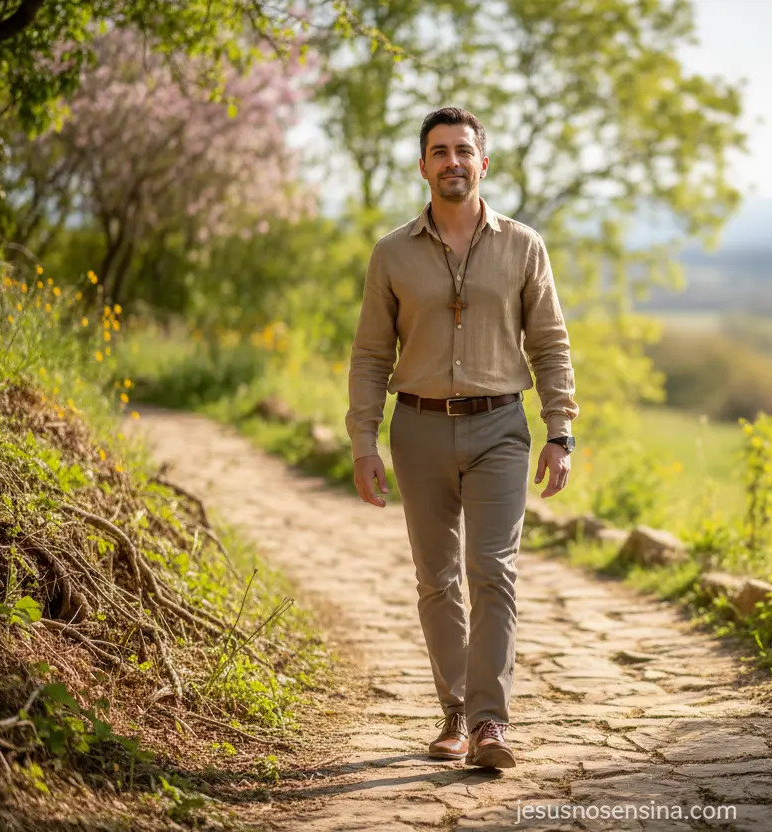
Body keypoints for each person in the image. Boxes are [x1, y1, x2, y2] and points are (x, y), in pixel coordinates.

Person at [344, 107, 578, 769]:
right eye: (439, 151)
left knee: (493, 572)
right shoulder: (391, 253)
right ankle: (452, 713)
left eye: (463, 151)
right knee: (437, 579)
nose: (452, 161)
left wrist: (560, 431)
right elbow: (368, 355)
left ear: (484, 163)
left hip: (501, 427)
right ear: (423, 166)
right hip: (416, 429)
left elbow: (551, 345)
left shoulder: (524, 246)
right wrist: (364, 441)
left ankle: (488, 725)